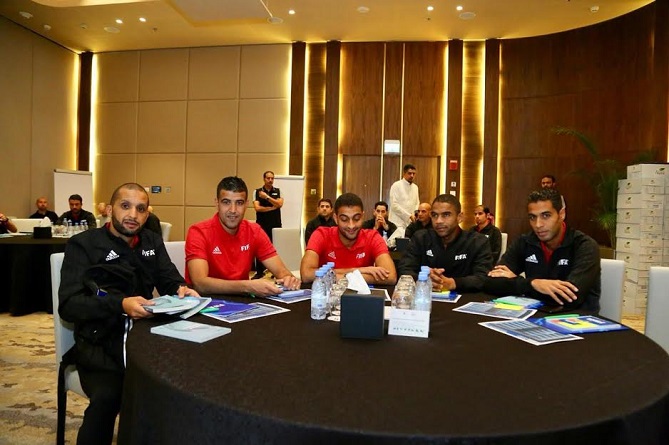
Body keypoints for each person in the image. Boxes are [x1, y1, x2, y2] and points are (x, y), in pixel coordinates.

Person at [58, 183, 199, 445]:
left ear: (147, 214)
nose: (133, 215)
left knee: (182, 383)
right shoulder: (84, 244)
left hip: (145, 340)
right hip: (99, 345)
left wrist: (181, 289)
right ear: (110, 209)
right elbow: (69, 304)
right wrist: (120, 304)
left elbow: (168, 279)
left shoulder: (151, 241)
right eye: (125, 206)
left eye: (141, 209)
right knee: (109, 397)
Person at [484, 188, 600, 312]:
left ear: (561, 214)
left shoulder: (585, 246)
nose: (538, 224)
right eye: (532, 217)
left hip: (577, 318)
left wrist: (518, 283)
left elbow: (569, 297)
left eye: (546, 215)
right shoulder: (525, 241)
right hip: (534, 314)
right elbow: (491, 282)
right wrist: (533, 283)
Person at [186, 176, 300, 297]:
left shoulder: (254, 231)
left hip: (243, 301)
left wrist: (288, 280)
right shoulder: (198, 232)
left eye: (239, 203)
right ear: (217, 203)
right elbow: (200, 284)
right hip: (206, 302)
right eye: (226, 202)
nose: (233, 210)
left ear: (246, 205)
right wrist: (247, 286)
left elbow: (282, 272)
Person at [397, 194, 493, 293]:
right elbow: (404, 269)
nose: (438, 221)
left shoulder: (477, 242)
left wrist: (453, 283)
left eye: (446, 215)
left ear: (459, 217)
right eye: (434, 215)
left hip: (465, 298)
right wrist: (423, 279)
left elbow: (483, 278)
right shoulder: (421, 238)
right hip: (424, 297)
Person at [300, 193, 397, 285]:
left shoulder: (372, 237)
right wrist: (357, 271)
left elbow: (391, 276)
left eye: (356, 218)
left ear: (362, 217)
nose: (351, 225)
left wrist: (335, 276)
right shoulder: (321, 234)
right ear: (336, 218)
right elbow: (306, 274)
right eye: (344, 219)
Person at [253, 171, 283, 278]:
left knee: (276, 247)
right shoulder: (257, 192)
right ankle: (259, 272)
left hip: (275, 223)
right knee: (259, 246)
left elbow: (279, 204)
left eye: (272, 178)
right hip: (262, 224)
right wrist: (272, 208)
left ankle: (275, 272)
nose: (270, 180)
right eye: (268, 178)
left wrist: (266, 197)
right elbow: (257, 208)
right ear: (264, 179)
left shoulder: (278, 191)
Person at [388, 163, 420, 231]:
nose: (412, 175)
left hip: (410, 223)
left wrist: (415, 214)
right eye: (409, 173)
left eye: (413, 174)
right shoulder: (396, 185)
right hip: (396, 222)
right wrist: (408, 216)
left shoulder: (415, 187)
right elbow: (394, 205)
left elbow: (417, 203)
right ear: (404, 173)